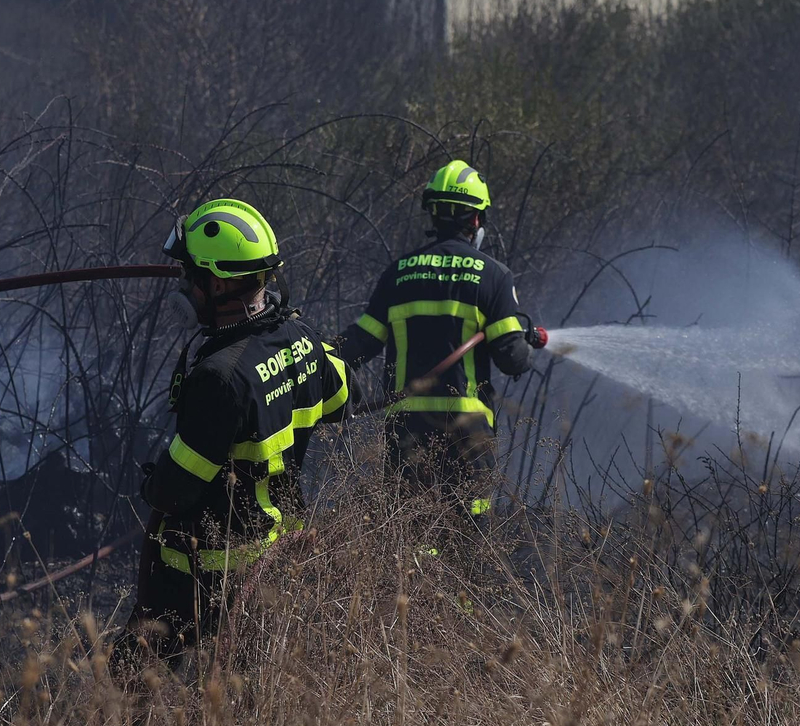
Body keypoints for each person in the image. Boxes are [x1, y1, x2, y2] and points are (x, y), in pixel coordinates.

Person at [118, 198, 349, 671]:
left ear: (219, 282)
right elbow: (343, 395)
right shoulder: (300, 338)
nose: (184, 288)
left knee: (124, 689)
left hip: (206, 577)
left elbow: (176, 490)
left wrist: (149, 482)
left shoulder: (220, 378)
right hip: (280, 562)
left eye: (191, 277)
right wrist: (300, 351)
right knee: (249, 702)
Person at [336, 159, 546, 521]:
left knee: (412, 527)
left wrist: (314, 358)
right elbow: (511, 358)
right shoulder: (493, 276)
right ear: (477, 219)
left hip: (407, 431)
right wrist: (527, 346)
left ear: (433, 214)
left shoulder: (398, 274)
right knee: (468, 530)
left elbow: (358, 345)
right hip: (468, 431)